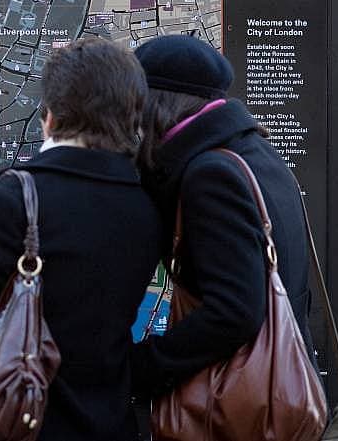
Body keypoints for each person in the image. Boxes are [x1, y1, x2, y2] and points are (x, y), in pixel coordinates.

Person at [0, 37, 163, 441]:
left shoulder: (19, 199)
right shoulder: (145, 208)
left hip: (19, 423)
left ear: (51, 116)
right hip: (107, 423)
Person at [129, 34, 314, 400]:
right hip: (276, 389)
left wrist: (144, 365)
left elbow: (234, 311)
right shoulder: (253, 151)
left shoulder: (210, 176)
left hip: (239, 404)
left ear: (153, 105)